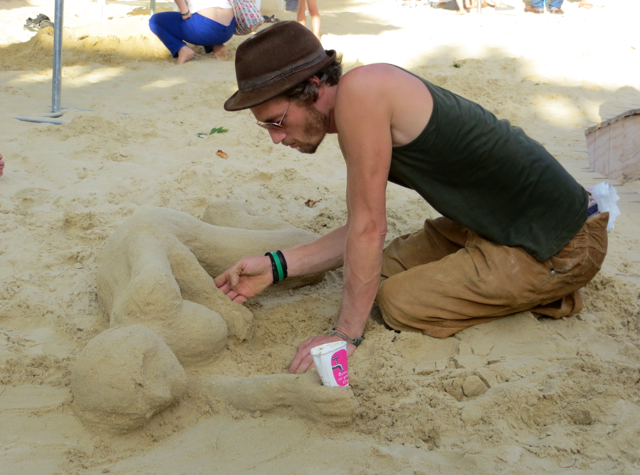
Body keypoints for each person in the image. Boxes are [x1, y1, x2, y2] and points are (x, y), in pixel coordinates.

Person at [214, 22, 608, 375]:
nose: (276, 138)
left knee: (398, 301)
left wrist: (345, 336)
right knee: (381, 268)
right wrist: (275, 266)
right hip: (490, 225)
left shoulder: (362, 95)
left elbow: (370, 228)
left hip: (560, 244)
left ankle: (553, 291)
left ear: (315, 86)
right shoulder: (363, 92)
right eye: (265, 126)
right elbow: (359, 230)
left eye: (277, 121)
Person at [149, 0, 236, 64]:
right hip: (229, 28)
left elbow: (186, 13)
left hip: (206, 28)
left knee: (155, 21)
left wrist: (184, 12)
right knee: (199, 14)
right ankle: (217, 46)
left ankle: (182, 49)